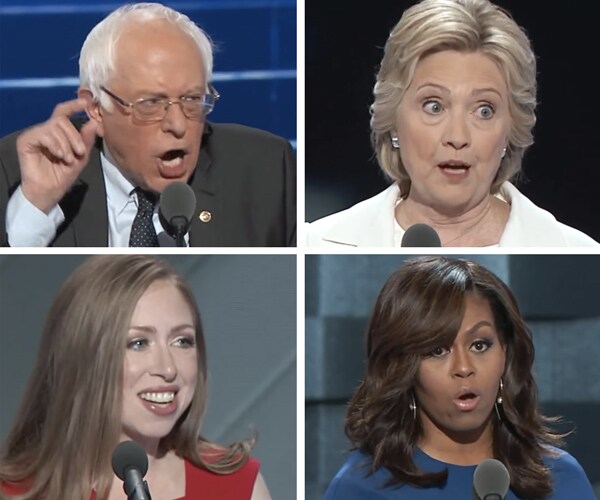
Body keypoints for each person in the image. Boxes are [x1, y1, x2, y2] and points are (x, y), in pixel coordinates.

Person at [0, 3, 296, 247]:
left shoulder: (266, 169)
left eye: (192, 98)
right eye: (151, 104)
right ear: (96, 109)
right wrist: (37, 206)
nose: (178, 125)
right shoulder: (19, 171)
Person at [306, 0, 598, 247]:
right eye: (434, 106)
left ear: (511, 130)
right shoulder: (314, 243)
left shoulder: (578, 251)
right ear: (393, 122)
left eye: (483, 110)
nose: (457, 137)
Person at [0, 255, 272, 499]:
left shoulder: (237, 486)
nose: (168, 369)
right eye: (139, 343)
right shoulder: (14, 492)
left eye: (182, 341)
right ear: (84, 356)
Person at [323, 256, 596, 499]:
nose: (464, 367)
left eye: (479, 345)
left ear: (506, 353)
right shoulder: (360, 488)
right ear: (402, 366)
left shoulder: (560, 479)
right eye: (437, 350)